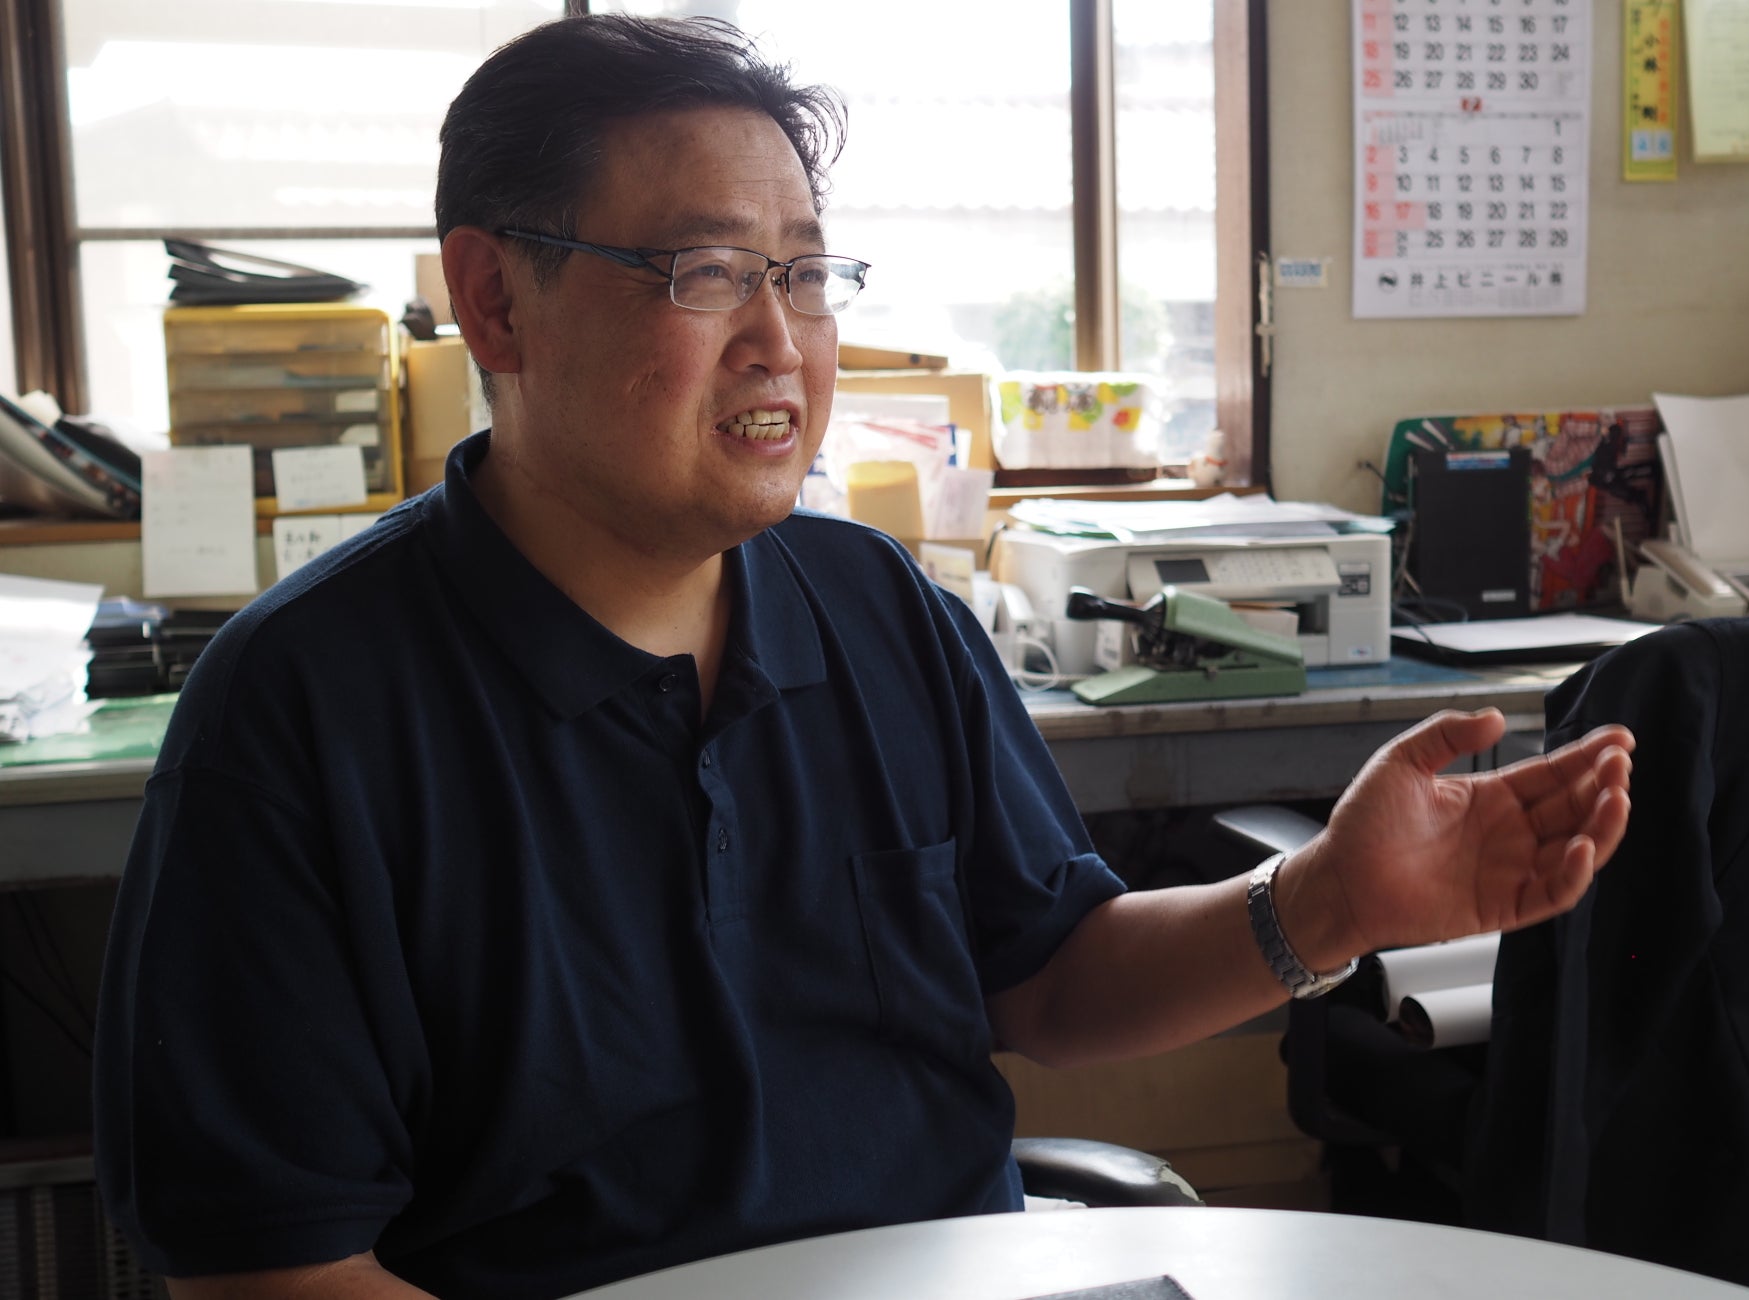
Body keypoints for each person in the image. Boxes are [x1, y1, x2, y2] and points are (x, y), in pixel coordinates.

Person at [93, 14, 1634, 1300]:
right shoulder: (304, 711)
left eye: (805, 274)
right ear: (495, 299)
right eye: (706, 272)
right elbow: (271, 1270)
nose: (780, 341)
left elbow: (1045, 979)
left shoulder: (876, 606)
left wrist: (1325, 903)